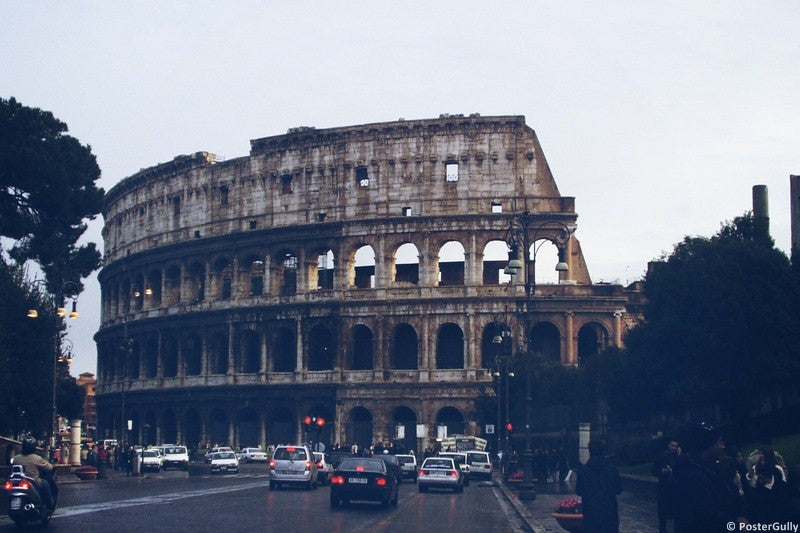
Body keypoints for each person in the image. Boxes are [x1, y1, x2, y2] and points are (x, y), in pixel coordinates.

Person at [673, 422, 745, 533]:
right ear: (709, 445)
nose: (723, 446)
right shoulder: (692, 476)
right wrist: (735, 526)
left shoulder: (710, 468)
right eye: (720, 442)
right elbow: (709, 516)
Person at [575, 440, 622, 533]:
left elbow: (579, 491)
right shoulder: (612, 469)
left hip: (590, 513)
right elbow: (618, 490)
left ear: (590, 451)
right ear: (603, 451)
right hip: (609, 513)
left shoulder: (583, 471)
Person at [12, 437, 55, 510]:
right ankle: (49, 505)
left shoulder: (16, 458)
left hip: (17, 482)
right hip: (34, 482)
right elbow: (50, 468)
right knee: (45, 484)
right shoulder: (36, 458)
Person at [651, 438, 680, 533]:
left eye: (676, 446)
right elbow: (654, 469)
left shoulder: (679, 458)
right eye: (672, 445)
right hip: (664, 489)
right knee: (663, 515)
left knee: (676, 514)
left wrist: (680, 456)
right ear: (668, 446)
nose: (674, 448)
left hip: (676, 490)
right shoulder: (662, 456)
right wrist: (662, 471)